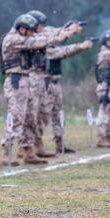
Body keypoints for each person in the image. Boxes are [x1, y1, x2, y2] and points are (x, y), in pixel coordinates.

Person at [0, 14, 78, 166]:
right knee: (16, 117)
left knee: (30, 118)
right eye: (31, 31)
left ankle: (29, 152)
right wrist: (59, 38)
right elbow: (36, 42)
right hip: (16, 81)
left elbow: (38, 40)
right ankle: (6, 152)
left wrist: (65, 33)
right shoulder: (13, 39)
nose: (33, 34)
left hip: (26, 80)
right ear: (22, 29)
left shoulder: (24, 38)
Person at [26, 10, 83, 158]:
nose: (43, 28)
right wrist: (75, 41)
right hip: (38, 80)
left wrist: (69, 31)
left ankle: (55, 143)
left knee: (50, 113)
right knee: (36, 114)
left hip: (49, 80)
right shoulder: (33, 39)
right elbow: (56, 46)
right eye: (41, 25)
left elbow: (54, 33)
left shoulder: (45, 35)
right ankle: (30, 145)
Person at [40, 40, 94, 154]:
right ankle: (35, 145)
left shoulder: (52, 49)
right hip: (46, 85)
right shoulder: (48, 50)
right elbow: (65, 51)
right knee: (43, 115)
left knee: (58, 115)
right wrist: (80, 46)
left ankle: (59, 144)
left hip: (55, 84)